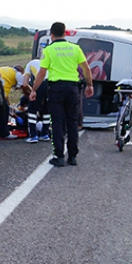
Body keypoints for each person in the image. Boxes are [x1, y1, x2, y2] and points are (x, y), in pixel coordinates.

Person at [30, 22, 93, 167]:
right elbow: (86, 68)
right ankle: (72, 156)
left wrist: (34, 89)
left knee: (57, 122)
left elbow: (42, 73)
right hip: (73, 89)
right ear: (65, 33)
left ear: (51, 35)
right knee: (72, 122)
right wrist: (89, 85)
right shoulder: (75, 48)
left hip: (56, 89)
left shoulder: (49, 50)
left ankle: (59, 156)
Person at [22, 59, 51, 143]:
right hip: (51, 85)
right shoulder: (46, 62)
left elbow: (25, 84)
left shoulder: (29, 64)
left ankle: (33, 136)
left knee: (32, 109)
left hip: (39, 84)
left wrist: (31, 92)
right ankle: (45, 134)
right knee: (46, 110)